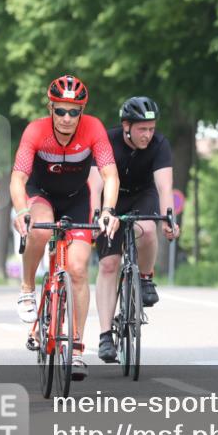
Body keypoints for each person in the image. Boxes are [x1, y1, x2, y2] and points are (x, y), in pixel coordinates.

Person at [11, 75, 120, 380]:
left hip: (76, 199)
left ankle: (76, 347)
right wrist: (22, 210)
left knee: (78, 269)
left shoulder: (93, 129)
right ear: (51, 108)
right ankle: (27, 289)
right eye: (60, 110)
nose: (67, 118)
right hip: (40, 194)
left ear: (82, 112)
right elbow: (18, 178)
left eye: (74, 112)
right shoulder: (36, 131)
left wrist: (108, 210)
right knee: (40, 229)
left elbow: (110, 175)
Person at [89, 96, 179, 363]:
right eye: (142, 129)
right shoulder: (106, 141)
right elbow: (94, 186)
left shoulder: (160, 144)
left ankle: (146, 278)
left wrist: (169, 218)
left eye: (151, 128)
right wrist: (96, 216)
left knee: (148, 230)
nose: (147, 135)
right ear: (126, 126)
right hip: (110, 200)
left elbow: (164, 187)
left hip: (142, 195)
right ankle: (105, 336)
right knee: (109, 265)